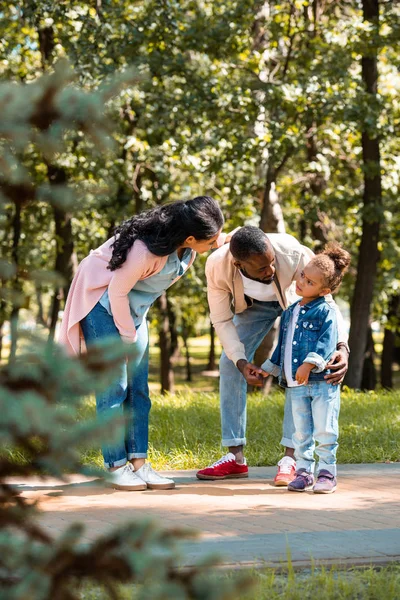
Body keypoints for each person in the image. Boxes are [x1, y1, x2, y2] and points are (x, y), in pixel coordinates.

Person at [59, 196, 226, 491]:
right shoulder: (145, 251)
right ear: (190, 237)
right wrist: (128, 337)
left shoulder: (188, 250)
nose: (215, 244)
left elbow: (222, 238)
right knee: (114, 386)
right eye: (211, 240)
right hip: (101, 302)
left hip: (133, 310)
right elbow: (117, 292)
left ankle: (138, 463)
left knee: (138, 388)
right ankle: (116, 465)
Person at [196, 226, 349, 484]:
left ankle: (292, 458)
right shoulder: (217, 266)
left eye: (271, 263)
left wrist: (342, 346)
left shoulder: (291, 251)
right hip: (253, 308)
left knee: (299, 367)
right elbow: (221, 320)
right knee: (229, 363)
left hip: (296, 303)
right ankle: (235, 457)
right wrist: (242, 362)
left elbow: (328, 305)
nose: (271, 271)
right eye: (261, 269)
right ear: (238, 264)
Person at [261, 243, 351, 493]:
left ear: (325, 290)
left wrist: (310, 364)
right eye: (302, 275)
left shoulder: (327, 311)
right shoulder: (290, 311)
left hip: (322, 382)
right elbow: (283, 345)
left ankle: (327, 473)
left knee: (325, 430)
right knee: (301, 433)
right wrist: (269, 368)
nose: (301, 282)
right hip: (296, 384)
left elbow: (326, 341)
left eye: (310, 282)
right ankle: (303, 472)